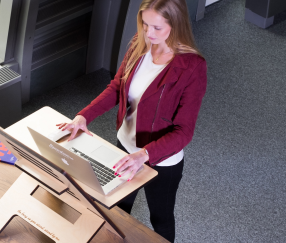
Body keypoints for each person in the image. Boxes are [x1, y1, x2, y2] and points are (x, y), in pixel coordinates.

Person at [56, 0, 207, 242]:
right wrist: (83, 116)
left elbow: (184, 131)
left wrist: (144, 155)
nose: (148, 33)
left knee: (161, 217)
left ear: (175, 24)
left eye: (157, 27)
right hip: (126, 146)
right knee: (116, 207)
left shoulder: (192, 67)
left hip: (162, 160)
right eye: (145, 24)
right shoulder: (140, 44)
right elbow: (117, 87)